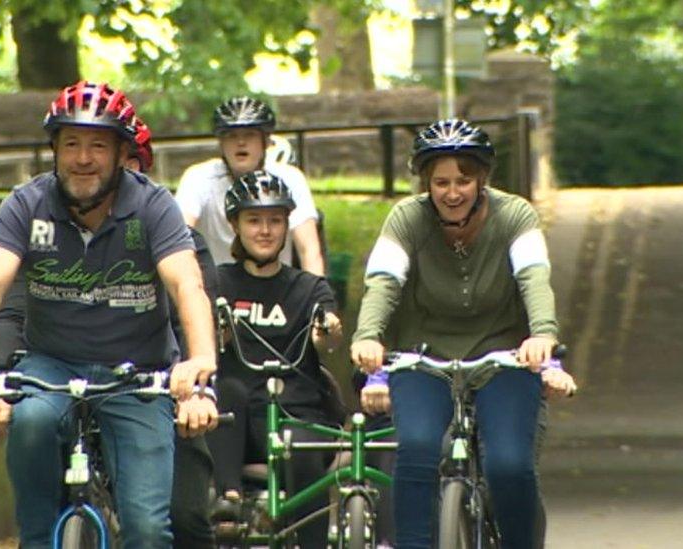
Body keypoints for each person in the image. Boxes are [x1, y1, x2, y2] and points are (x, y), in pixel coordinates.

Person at [0, 80, 218, 549]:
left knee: (149, 530)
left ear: (120, 153)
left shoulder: (153, 206)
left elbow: (186, 284)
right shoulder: (26, 204)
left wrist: (199, 362)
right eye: (71, 144)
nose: (83, 158)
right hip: (51, 365)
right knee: (29, 423)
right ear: (54, 149)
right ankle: (37, 537)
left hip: (138, 372)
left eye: (97, 145)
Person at [350, 119, 575, 549]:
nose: (452, 193)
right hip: (424, 358)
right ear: (426, 184)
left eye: (463, 180)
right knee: (416, 450)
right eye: (441, 182)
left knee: (508, 466)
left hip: (503, 359)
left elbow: (533, 278)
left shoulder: (515, 216)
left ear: (483, 180)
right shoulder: (406, 219)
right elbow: (383, 280)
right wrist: (369, 336)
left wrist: (542, 335)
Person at [205, 170, 343, 549]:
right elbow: (194, 339)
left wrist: (326, 332)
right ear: (235, 225)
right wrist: (214, 335)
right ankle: (228, 505)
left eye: (275, 221)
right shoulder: (216, 283)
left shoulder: (309, 287)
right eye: (254, 220)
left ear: (286, 226)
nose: (264, 230)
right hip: (238, 425)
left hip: (301, 419)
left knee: (295, 443)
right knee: (225, 390)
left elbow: (329, 331)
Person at [175, 96, 326, 275]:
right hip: (217, 290)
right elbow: (179, 241)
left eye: (250, 135)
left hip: (277, 290)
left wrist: (318, 295)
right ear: (221, 143)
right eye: (231, 136)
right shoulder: (198, 178)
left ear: (266, 142)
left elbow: (309, 250)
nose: (241, 143)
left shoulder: (290, 179)